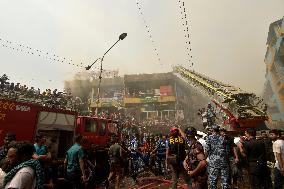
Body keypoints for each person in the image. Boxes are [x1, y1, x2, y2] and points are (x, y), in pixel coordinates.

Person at [204, 124, 230, 189]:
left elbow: (207, 150)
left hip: (213, 163)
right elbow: (227, 151)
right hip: (223, 162)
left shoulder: (209, 138)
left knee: (213, 181)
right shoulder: (223, 138)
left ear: (212, 130)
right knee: (224, 181)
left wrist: (204, 159)